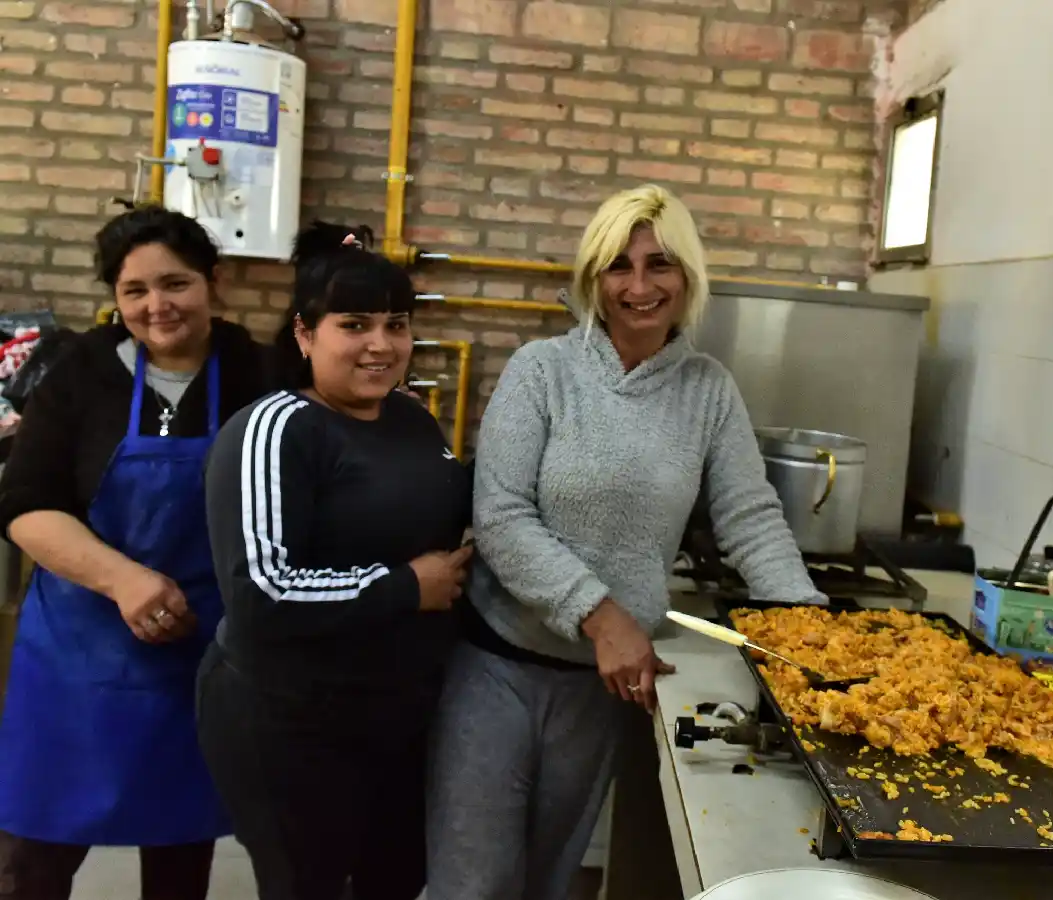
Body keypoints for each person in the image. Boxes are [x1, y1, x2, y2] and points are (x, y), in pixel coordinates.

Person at [425, 183, 829, 900]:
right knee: (473, 883)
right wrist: (603, 616)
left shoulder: (708, 390)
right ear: (593, 276)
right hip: (499, 670)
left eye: (660, 265)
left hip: (602, 689)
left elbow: (749, 516)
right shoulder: (542, 371)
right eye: (619, 266)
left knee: (550, 878)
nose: (638, 287)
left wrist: (808, 630)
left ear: (689, 277)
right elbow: (502, 516)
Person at [0, 206, 272, 900]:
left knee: (179, 848)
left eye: (175, 284)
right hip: (78, 652)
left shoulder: (257, 374)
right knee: (32, 858)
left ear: (215, 282)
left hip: (197, 652)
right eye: (135, 292)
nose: (157, 307)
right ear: (115, 300)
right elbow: (24, 504)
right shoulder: (79, 372)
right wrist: (123, 580)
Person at [197, 222, 473, 900]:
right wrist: (406, 587)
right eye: (354, 324)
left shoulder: (411, 420)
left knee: (396, 878)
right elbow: (261, 592)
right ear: (304, 334)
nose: (382, 345)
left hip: (394, 713)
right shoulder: (278, 427)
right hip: (290, 719)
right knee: (305, 884)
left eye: (397, 324)